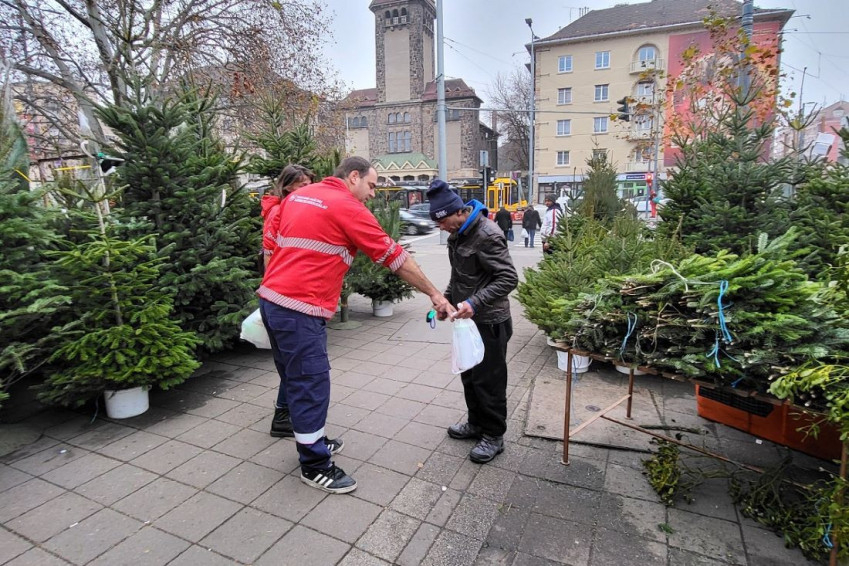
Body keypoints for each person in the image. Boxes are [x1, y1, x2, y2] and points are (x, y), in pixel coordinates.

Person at [259, 156, 455, 494]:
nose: (373, 194)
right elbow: (395, 257)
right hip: (300, 308)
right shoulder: (347, 207)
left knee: (294, 378)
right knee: (311, 384)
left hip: (272, 301)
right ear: (353, 177)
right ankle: (315, 465)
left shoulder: (299, 196)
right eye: (372, 185)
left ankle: (310, 439)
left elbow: (274, 246)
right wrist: (435, 294)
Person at [428, 180, 518, 464]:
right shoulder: (458, 235)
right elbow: (459, 277)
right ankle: (476, 424)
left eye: (443, 222)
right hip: (466, 321)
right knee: (470, 376)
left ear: (458, 212)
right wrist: (446, 301)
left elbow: (508, 278)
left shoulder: (487, 234)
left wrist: (474, 303)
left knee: (489, 381)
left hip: (490, 321)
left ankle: (494, 435)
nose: (441, 228)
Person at [260, 164, 315, 439]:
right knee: (294, 364)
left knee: (292, 363)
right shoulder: (279, 211)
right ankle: (283, 416)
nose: (309, 189)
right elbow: (269, 253)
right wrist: (272, 289)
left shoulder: (293, 208)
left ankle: (284, 414)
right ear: (288, 186)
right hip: (283, 297)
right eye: (303, 185)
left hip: (288, 294)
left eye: (310, 184)